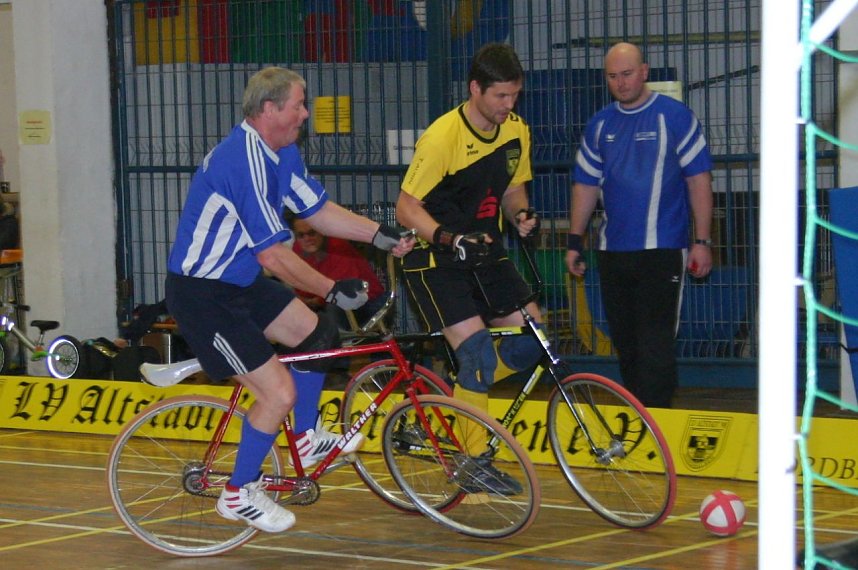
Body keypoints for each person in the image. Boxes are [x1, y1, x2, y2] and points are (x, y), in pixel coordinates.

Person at [165, 66, 413, 533]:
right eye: (298, 105)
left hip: (239, 283)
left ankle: (305, 437)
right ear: (269, 109)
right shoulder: (243, 161)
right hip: (204, 296)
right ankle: (238, 493)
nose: (305, 114)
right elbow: (274, 256)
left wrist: (379, 234)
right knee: (278, 392)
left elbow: (317, 211)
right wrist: (330, 288)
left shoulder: (282, 151)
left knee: (318, 331)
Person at [396, 42, 540, 494]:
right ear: (475, 89)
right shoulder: (442, 138)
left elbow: (513, 189)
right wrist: (447, 238)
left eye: (514, 95)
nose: (508, 105)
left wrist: (520, 214)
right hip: (434, 256)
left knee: (535, 339)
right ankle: (473, 462)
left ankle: (452, 400)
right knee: (476, 352)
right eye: (500, 96)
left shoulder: (516, 130)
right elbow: (406, 207)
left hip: (483, 251)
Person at [565, 42, 714, 409]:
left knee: (655, 343)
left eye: (628, 74)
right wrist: (574, 241)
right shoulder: (600, 124)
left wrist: (702, 241)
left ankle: (658, 418)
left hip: (662, 249)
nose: (621, 83)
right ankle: (639, 414)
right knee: (626, 342)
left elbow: (699, 180)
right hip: (613, 252)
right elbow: (585, 185)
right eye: (612, 76)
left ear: (644, 71)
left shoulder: (675, 117)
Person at [287, 216, 389, 330]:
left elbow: (342, 291)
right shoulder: (297, 249)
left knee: (334, 307)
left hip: (369, 302)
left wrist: (312, 300)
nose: (307, 239)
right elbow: (300, 286)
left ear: (321, 231)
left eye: (312, 233)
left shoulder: (338, 247)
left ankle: (336, 340)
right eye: (301, 235)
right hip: (327, 301)